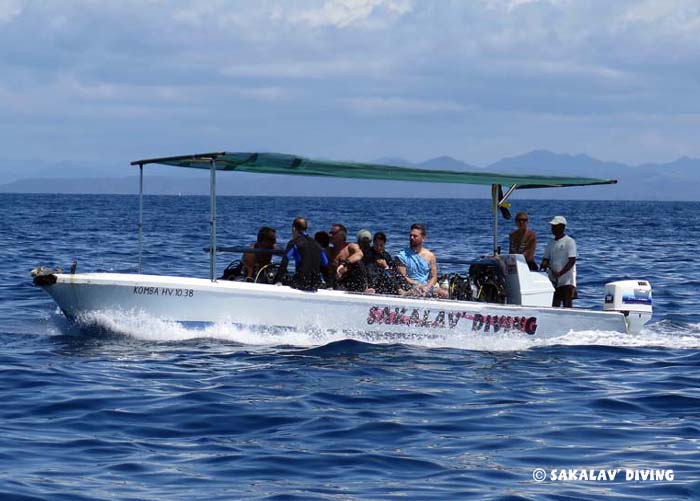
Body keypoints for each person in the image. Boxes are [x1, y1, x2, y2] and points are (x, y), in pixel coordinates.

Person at [274, 217, 328, 291]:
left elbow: (285, 260)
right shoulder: (317, 244)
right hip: (315, 284)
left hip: (300, 283)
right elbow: (325, 262)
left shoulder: (294, 242)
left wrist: (278, 280)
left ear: (294, 229)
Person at [396, 223, 448, 298]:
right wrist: (416, 284)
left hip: (425, 287)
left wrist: (427, 288)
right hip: (410, 287)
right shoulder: (402, 255)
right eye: (410, 235)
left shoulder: (430, 256)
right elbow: (402, 277)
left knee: (445, 293)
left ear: (423, 238)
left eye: (415, 236)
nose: (412, 238)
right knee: (417, 291)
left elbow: (434, 277)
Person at [540, 215, 577, 308]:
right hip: (553, 281)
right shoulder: (550, 242)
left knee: (567, 305)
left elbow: (572, 261)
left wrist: (560, 273)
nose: (552, 229)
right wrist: (544, 264)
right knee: (554, 305)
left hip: (566, 281)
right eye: (552, 226)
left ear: (562, 227)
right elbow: (546, 258)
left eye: (555, 226)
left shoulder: (569, 241)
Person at [327, 223, 364, 290]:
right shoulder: (329, 250)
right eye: (330, 233)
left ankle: (365, 288)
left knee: (358, 263)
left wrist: (344, 264)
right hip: (335, 283)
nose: (330, 235)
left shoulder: (350, 247)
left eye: (333, 233)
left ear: (342, 235)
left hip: (352, 282)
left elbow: (359, 254)